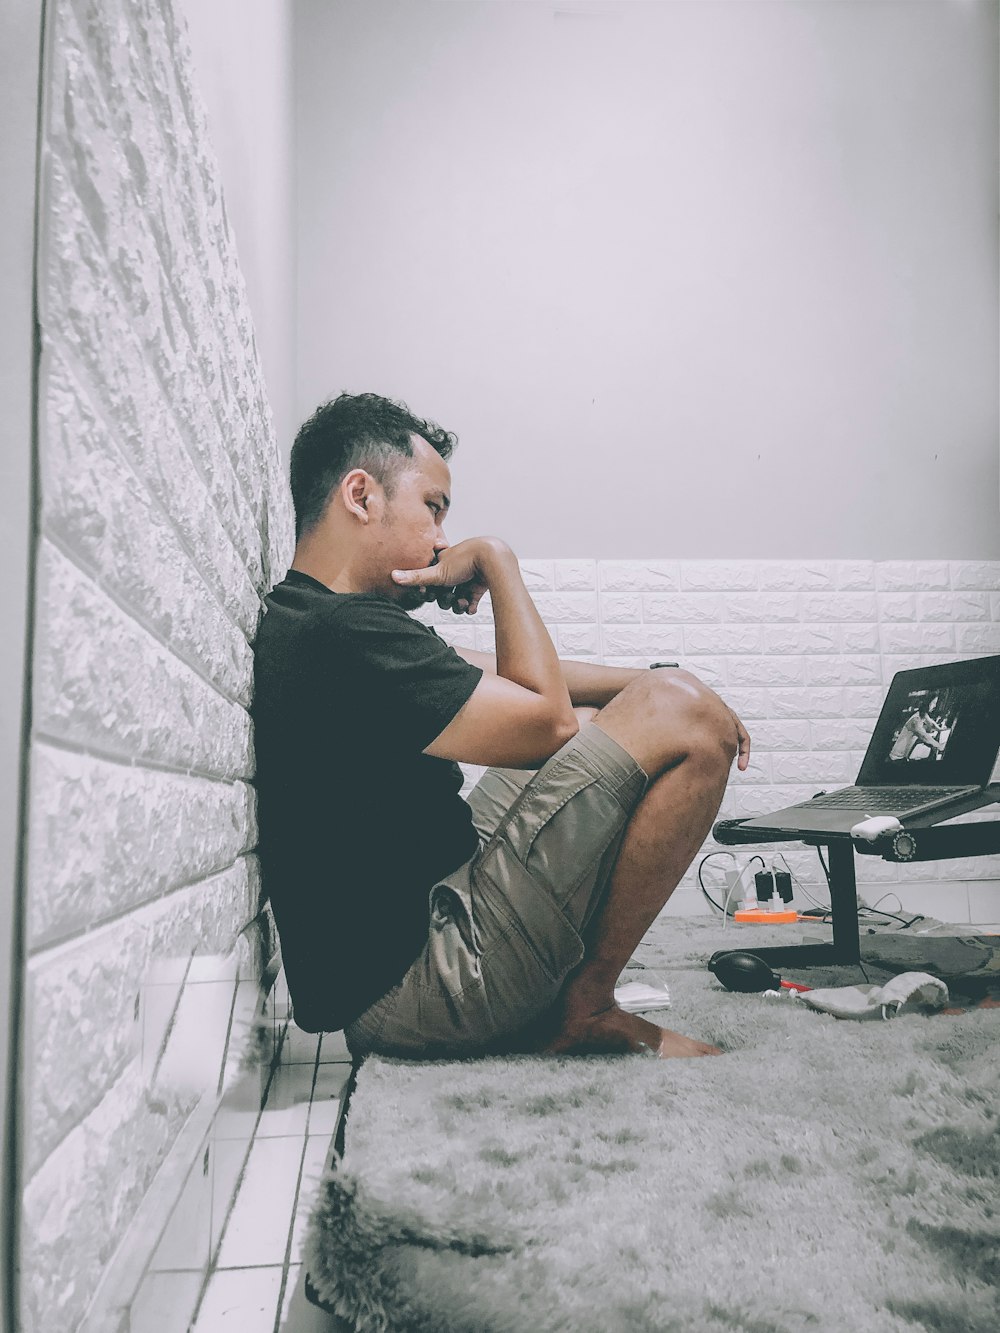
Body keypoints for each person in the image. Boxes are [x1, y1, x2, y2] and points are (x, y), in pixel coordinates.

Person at [250, 393, 751, 1062]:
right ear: (361, 496)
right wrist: (496, 559)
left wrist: (654, 677)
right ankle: (587, 1006)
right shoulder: (343, 635)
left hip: (413, 946)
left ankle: (578, 989)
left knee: (628, 712)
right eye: (433, 508)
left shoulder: (320, 621)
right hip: (431, 983)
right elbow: (542, 719)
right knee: (683, 720)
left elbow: (499, 679)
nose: (441, 540)